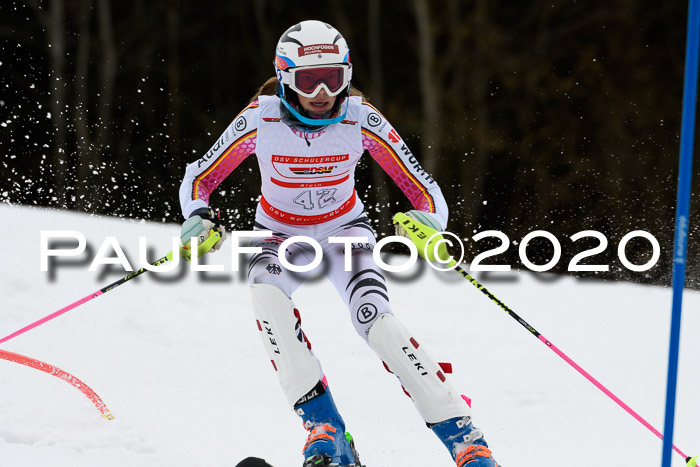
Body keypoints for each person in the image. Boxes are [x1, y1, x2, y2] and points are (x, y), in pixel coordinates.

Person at [178, 20, 500, 467]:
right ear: (286, 75)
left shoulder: (359, 117)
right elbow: (201, 176)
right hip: (278, 234)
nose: (323, 90)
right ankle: (324, 427)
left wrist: (430, 224)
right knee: (266, 295)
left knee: (377, 321)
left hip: (343, 232)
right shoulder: (261, 118)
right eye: (310, 79)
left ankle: (465, 438)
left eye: (334, 76)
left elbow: (421, 187)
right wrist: (198, 214)